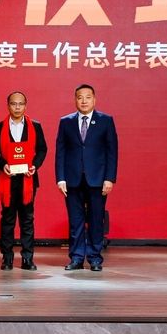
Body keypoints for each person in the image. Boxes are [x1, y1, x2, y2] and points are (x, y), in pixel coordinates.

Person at [55, 84, 118, 271]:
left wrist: (109, 178)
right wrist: (60, 178)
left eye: (88, 97)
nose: (84, 101)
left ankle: (95, 258)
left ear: (94, 99)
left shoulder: (106, 121)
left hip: (97, 180)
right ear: (75, 100)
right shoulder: (66, 122)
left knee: (96, 220)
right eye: (80, 97)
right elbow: (60, 151)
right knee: (75, 221)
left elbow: (112, 152)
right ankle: (76, 258)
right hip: (72, 180)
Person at [0, 91, 48, 271]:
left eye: (21, 104)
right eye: (14, 104)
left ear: (26, 106)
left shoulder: (35, 126)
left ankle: (27, 258)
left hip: (28, 179)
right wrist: (2, 165)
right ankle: (7, 258)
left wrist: (35, 165)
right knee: (8, 219)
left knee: (27, 220)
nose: (17, 107)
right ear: (8, 106)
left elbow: (42, 150)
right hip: (8, 180)